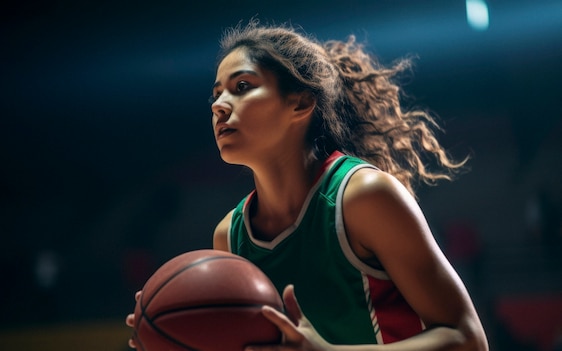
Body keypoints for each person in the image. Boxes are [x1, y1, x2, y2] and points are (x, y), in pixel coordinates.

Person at [126, 19, 489, 350]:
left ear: (300, 103)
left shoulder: (364, 198)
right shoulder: (230, 237)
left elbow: (467, 337)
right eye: (216, 93)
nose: (219, 105)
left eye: (241, 86)